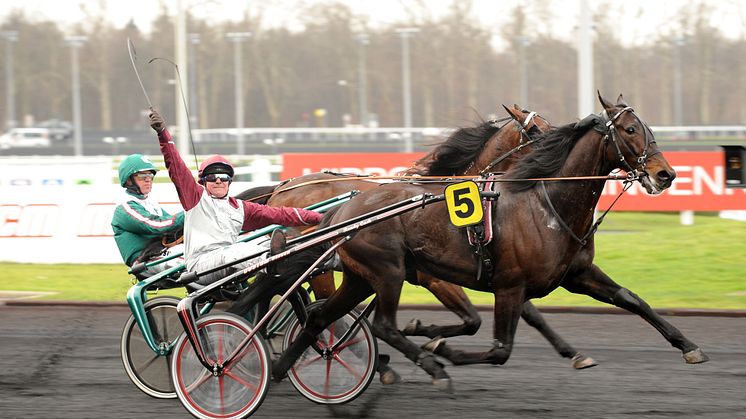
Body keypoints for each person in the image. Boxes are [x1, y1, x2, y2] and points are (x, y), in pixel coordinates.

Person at [148, 108, 323, 285]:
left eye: (223, 177)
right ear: (203, 181)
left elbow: (281, 214)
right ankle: (273, 266)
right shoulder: (195, 198)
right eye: (211, 177)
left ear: (229, 181)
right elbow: (176, 167)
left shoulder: (240, 207)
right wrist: (163, 134)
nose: (218, 180)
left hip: (228, 263)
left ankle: (320, 262)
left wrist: (321, 218)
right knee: (234, 251)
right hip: (200, 267)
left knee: (270, 241)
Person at [111, 154, 186, 277]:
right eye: (142, 176)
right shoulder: (125, 206)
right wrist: (188, 212)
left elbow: (172, 226)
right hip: (145, 261)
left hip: (160, 253)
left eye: (150, 175)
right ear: (129, 180)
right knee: (194, 262)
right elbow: (157, 226)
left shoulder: (149, 202)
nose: (148, 179)